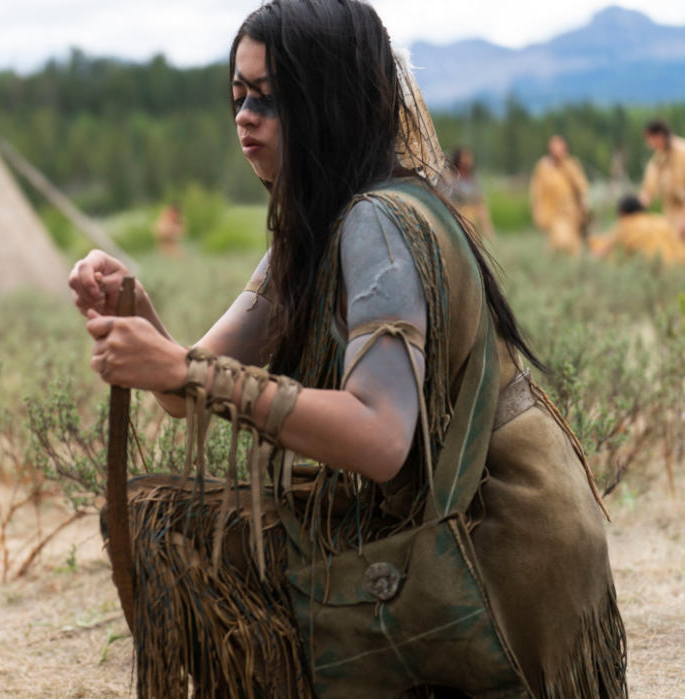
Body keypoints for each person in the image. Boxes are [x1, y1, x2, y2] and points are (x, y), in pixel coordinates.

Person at [69, 2, 624, 697]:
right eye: (237, 97)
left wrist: (182, 368)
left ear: (328, 100)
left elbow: (379, 437)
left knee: (175, 526)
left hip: (500, 538)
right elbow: (185, 394)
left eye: (271, 97)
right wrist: (137, 311)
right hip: (435, 515)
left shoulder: (377, 223)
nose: (245, 117)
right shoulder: (310, 230)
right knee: (168, 511)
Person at [530, 135, 590, 255]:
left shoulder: (571, 164)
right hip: (553, 213)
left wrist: (584, 207)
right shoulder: (543, 167)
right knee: (558, 243)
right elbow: (536, 191)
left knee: (573, 247)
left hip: (572, 213)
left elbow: (581, 186)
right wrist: (538, 211)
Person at [591, 195, 685, 265]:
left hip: (654, 271)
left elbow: (604, 250)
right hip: (678, 269)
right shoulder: (661, 220)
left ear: (622, 213)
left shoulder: (626, 224)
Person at [638, 118, 685, 237]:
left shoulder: (681, 152)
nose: (649, 143)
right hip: (671, 211)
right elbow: (649, 187)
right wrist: (637, 208)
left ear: (659, 135)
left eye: (650, 139)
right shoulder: (659, 158)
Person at [441, 146, 494, 238]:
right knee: (466, 210)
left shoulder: (472, 177)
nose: (469, 160)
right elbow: (452, 196)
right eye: (466, 157)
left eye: (469, 157)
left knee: (480, 206)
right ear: (458, 158)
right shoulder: (451, 176)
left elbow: (477, 196)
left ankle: (488, 232)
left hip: (470, 208)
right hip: (456, 208)